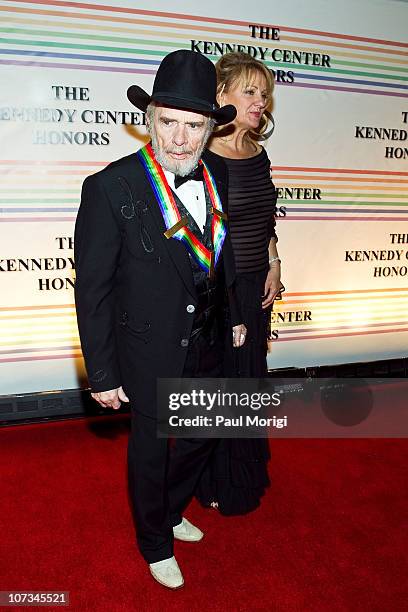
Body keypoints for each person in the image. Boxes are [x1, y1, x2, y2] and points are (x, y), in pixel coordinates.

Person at [74, 50, 246, 590]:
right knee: (151, 452)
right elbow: (93, 288)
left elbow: (224, 252)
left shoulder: (217, 170)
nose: (177, 138)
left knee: (200, 437)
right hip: (147, 348)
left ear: (209, 129)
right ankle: (154, 542)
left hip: (210, 340)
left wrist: (237, 314)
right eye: (166, 122)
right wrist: (101, 372)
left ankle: (171, 510)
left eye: (191, 125)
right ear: (148, 120)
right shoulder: (110, 187)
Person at [196, 52, 284, 516]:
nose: (260, 100)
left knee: (249, 379)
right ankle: (213, 477)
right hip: (218, 291)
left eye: (264, 92)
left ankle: (243, 471)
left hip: (255, 287)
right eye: (249, 90)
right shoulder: (202, 157)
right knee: (222, 382)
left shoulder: (258, 152)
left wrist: (273, 262)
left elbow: (264, 218)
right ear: (220, 96)